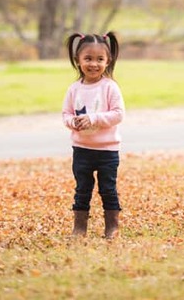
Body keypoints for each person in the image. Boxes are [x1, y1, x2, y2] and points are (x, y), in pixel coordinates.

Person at [62, 33, 125, 239]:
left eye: (100, 59)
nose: (94, 64)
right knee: (82, 189)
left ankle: (112, 227)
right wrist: (74, 122)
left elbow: (118, 114)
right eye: (88, 58)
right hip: (82, 150)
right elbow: (66, 115)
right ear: (78, 61)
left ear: (108, 61)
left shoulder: (109, 87)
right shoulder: (74, 89)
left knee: (108, 189)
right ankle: (79, 228)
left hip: (107, 151)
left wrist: (94, 119)